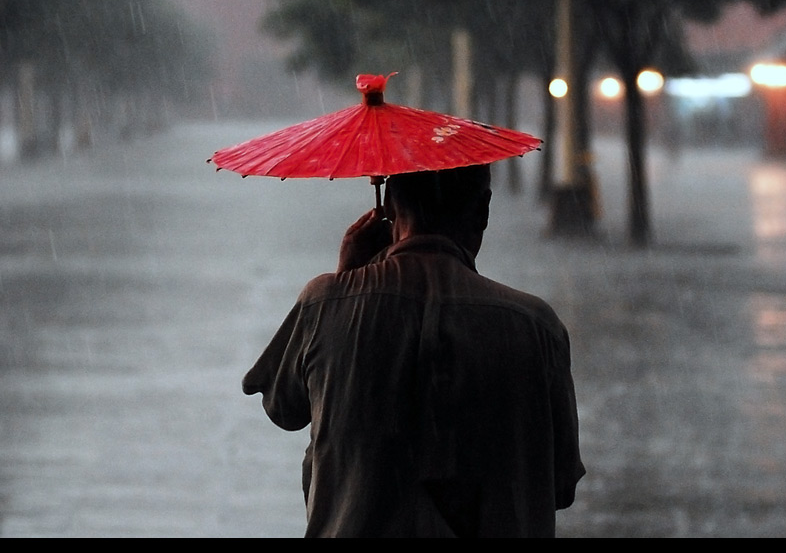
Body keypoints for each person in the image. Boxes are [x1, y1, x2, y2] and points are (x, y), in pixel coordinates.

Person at [242, 164, 585, 538]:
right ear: (483, 210)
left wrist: (346, 282)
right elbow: (561, 483)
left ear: (389, 204)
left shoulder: (323, 302)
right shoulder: (536, 326)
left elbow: (283, 407)